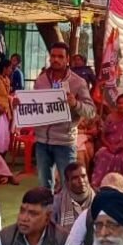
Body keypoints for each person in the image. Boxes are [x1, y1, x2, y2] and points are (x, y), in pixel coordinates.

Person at [30, 43, 96, 191]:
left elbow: (91, 111)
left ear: (67, 60)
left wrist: (75, 104)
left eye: (60, 57)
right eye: (53, 56)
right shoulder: (41, 80)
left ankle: (68, 207)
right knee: (44, 187)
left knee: (69, 187)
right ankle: (47, 207)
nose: (56, 59)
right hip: (42, 141)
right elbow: (34, 105)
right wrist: (20, 105)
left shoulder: (78, 82)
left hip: (64, 142)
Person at [91, 94, 123, 192]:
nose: (121, 105)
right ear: (116, 105)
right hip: (110, 146)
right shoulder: (110, 117)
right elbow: (103, 136)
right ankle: (98, 185)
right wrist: (109, 146)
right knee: (103, 154)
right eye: (119, 103)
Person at [53, 162, 94, 234]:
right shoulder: (57, 202)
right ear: (67, 183)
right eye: (75, 178)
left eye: (83, 176)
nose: (81, 181)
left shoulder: (98, 199)